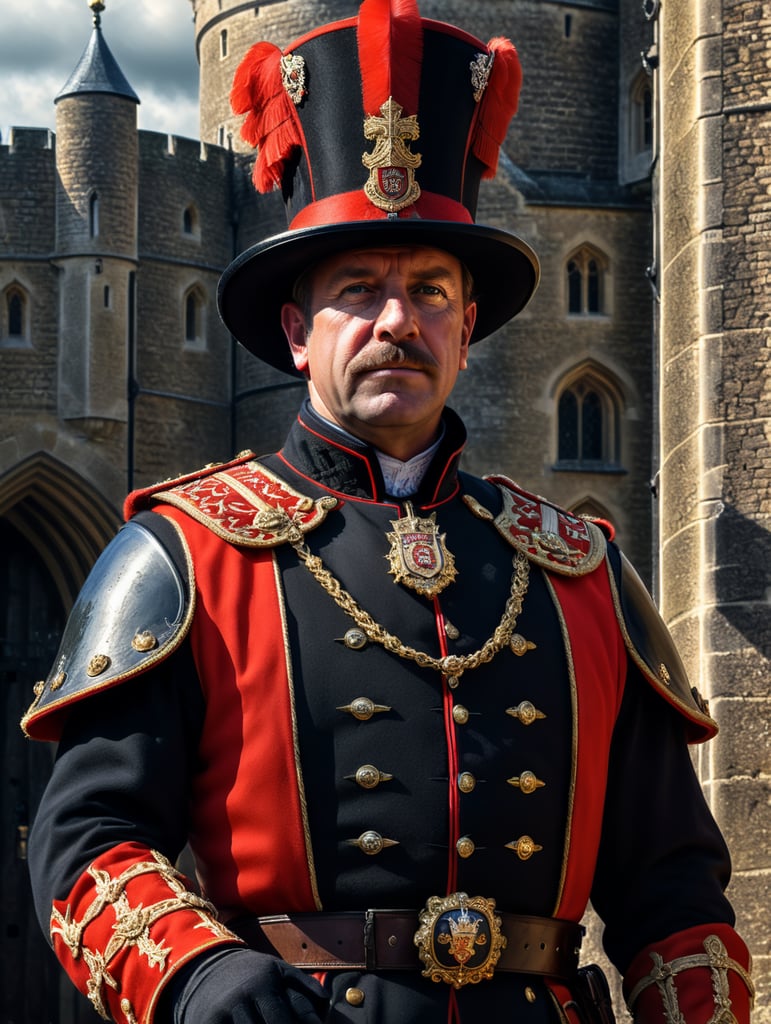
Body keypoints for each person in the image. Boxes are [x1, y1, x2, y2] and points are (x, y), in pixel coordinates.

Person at [23, 1, 754, 1022]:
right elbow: (89, 846)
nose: (396, 321)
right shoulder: (181, 555)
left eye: (431, 291)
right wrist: (197, 972)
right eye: (358, 289)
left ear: (468, 333)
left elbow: (675, 902)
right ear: (294, 333)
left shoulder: (581, 573)